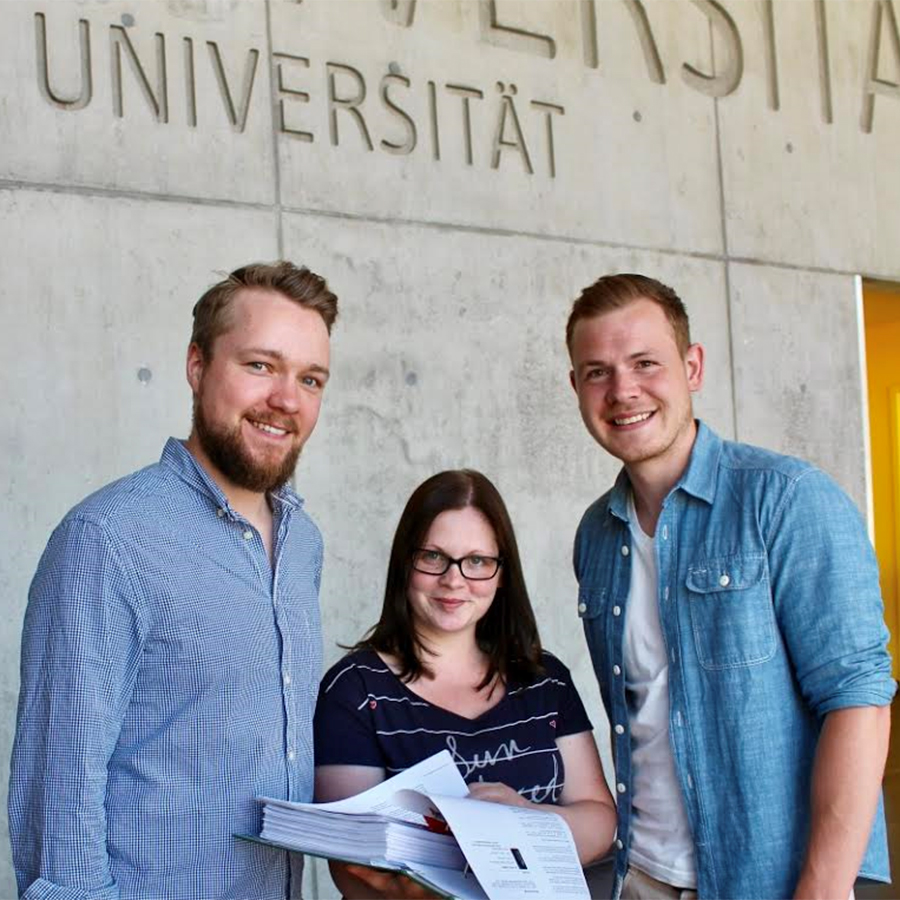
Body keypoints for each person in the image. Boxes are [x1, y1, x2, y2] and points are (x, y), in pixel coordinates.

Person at [8, 261, 338, 899]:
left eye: (311, 378)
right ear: (196, 367)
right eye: (260, 366)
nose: (287, 400)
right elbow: (62, 787)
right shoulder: (107, 539)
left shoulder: (304, 545)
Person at [566, 272, 895, 900]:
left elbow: (859, 701)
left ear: (692, 367)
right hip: (641, 877)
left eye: (644, 363)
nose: (622, 390)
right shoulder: (596, 535)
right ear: (576, 387)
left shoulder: (787, 501)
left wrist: (821, 890)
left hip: (773, 882)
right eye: (597, 372)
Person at [313, 469, 617, 899]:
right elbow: (351, 866)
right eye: (434, 557)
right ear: (405, 562)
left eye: (477, 561)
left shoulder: (545, 680)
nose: (454, 580)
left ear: (501, 573)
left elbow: (601, 819)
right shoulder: (355, 690)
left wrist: (526, 821)